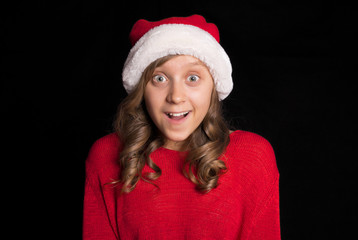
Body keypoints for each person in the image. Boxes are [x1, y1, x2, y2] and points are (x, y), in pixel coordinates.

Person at [83, 15, 281, 240]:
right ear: (142, 89)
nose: (176, 96)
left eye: (193, 78)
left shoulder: (252, 157)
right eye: (159, 78)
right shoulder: (105, 156)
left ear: (213, 87)